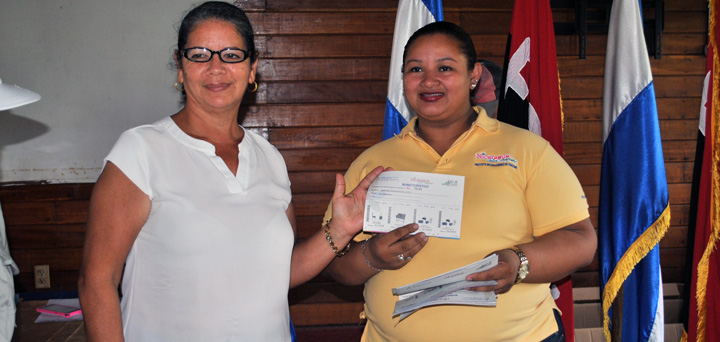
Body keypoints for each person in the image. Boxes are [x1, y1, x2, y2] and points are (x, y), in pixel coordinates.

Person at [77, 2, 385, 341]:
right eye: (199, 54)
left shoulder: (269, 158)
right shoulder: (141, 150)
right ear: (180, 66)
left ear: (252, 69)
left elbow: (277, 274)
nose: (216, 67)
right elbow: (96, 282)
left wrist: (339, 231)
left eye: (231, 55)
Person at [323, 21, 597, 341]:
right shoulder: (372, 163)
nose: (429, 80)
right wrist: (371, 257)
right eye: (415, 69)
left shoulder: (527, 151)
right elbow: (334, 263)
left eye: (445, 67)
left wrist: (518, 261)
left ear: (474, 75)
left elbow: (581, 240)